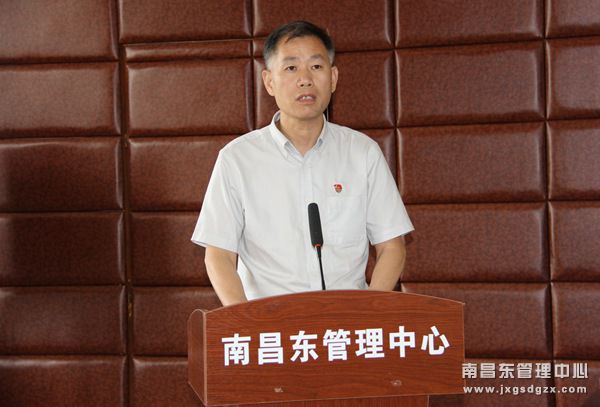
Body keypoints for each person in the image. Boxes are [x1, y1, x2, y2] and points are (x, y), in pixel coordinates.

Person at [191, 21, 413, 306]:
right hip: (268, 322)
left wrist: (364, 314)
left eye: (316, 67)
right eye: (291, 68)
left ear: (333, 78)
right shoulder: (237, 159)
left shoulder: (363, 153)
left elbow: (392, 247)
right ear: (269, 82)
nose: (305, 79)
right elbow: (219, 255)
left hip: (345, 322)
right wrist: (246, 322)